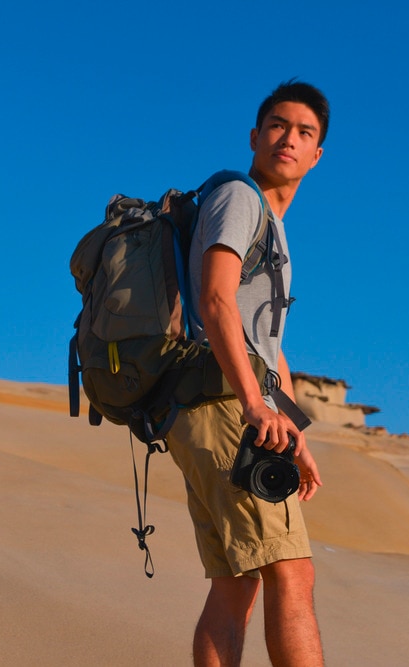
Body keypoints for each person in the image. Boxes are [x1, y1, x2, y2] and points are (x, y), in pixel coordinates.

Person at [164, 80, 328, 666]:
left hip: (206, 406)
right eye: (278, 126)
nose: (289, 138)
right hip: (225, 403)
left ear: (317, 155)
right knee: (293, 571)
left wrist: (297, 430)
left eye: (304, 132)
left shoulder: (274, 225)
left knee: (237, 583)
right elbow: (215, 301)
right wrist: (255, 405)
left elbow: (269, 344)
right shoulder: (240, 199)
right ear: (255, 136)